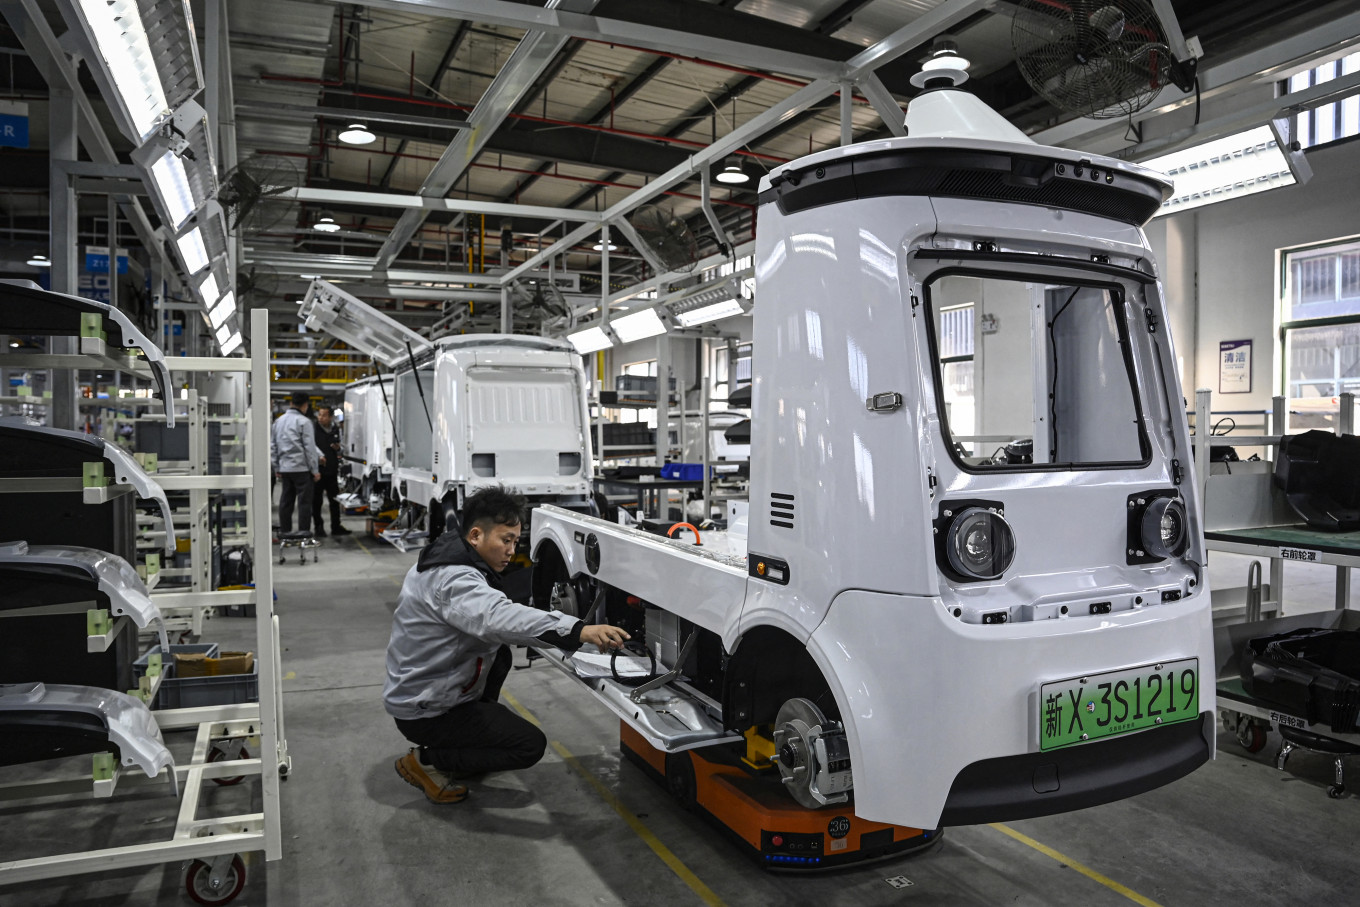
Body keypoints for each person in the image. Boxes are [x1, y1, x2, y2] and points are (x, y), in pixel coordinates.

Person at [384, 485, 630, 804]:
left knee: (498, 662)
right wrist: (579, 630)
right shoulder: (453, 579)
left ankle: (456, 748)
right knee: (528, 745)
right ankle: (428, 762)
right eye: (506, 540)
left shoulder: (448, 556)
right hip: (426, 707)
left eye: (516, 540)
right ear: (475, 535)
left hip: (431, 690)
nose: (513, 550)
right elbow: (498, 617)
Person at [270, 391, 320, 535]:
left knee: (286, 502)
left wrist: (277, 467)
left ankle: (285, 533)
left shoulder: (278, 421)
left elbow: (273, 446)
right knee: (304, 503)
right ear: (305, 405)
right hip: (302, 469)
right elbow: (309, 448)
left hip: (285, 469)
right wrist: (315, 470)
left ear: (291, 403)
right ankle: (303, 533)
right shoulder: (304, 422)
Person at [311, 406, 351, 537]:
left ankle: (336, 526)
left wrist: (338, 448)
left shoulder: (335, 430)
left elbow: (341, 449)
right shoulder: (313, 429)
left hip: (332, 471)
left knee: (335, 501)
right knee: (317, 502)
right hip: (318, 471)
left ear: (330, 417)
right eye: (319, 415)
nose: (320, 417)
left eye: (323, 415)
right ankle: (319, 527)